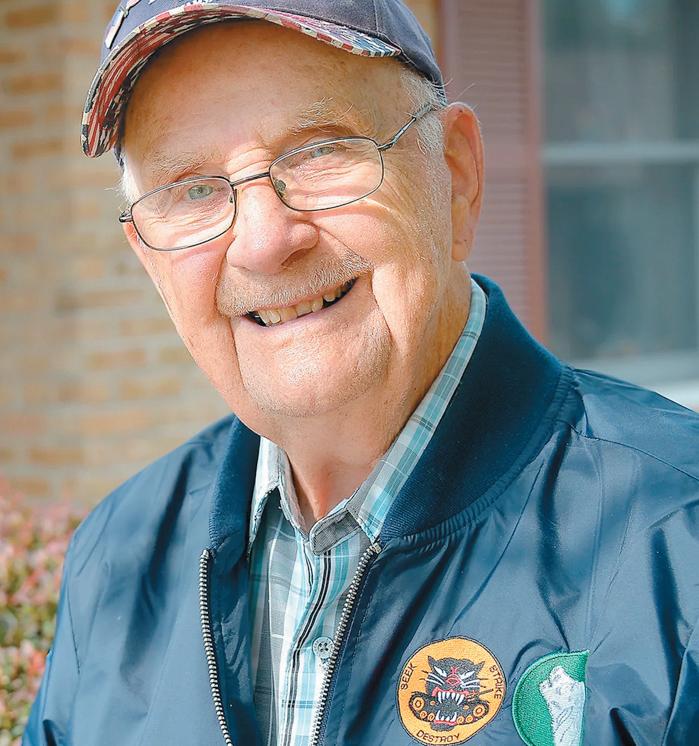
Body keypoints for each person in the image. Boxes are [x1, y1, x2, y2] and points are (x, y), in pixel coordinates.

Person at [24, 2, 699, 745]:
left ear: (455, 175)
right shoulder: (116, 557)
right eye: (192, 189)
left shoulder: (675, 536)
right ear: (149, 259)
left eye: (318, 152)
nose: (263, 241)